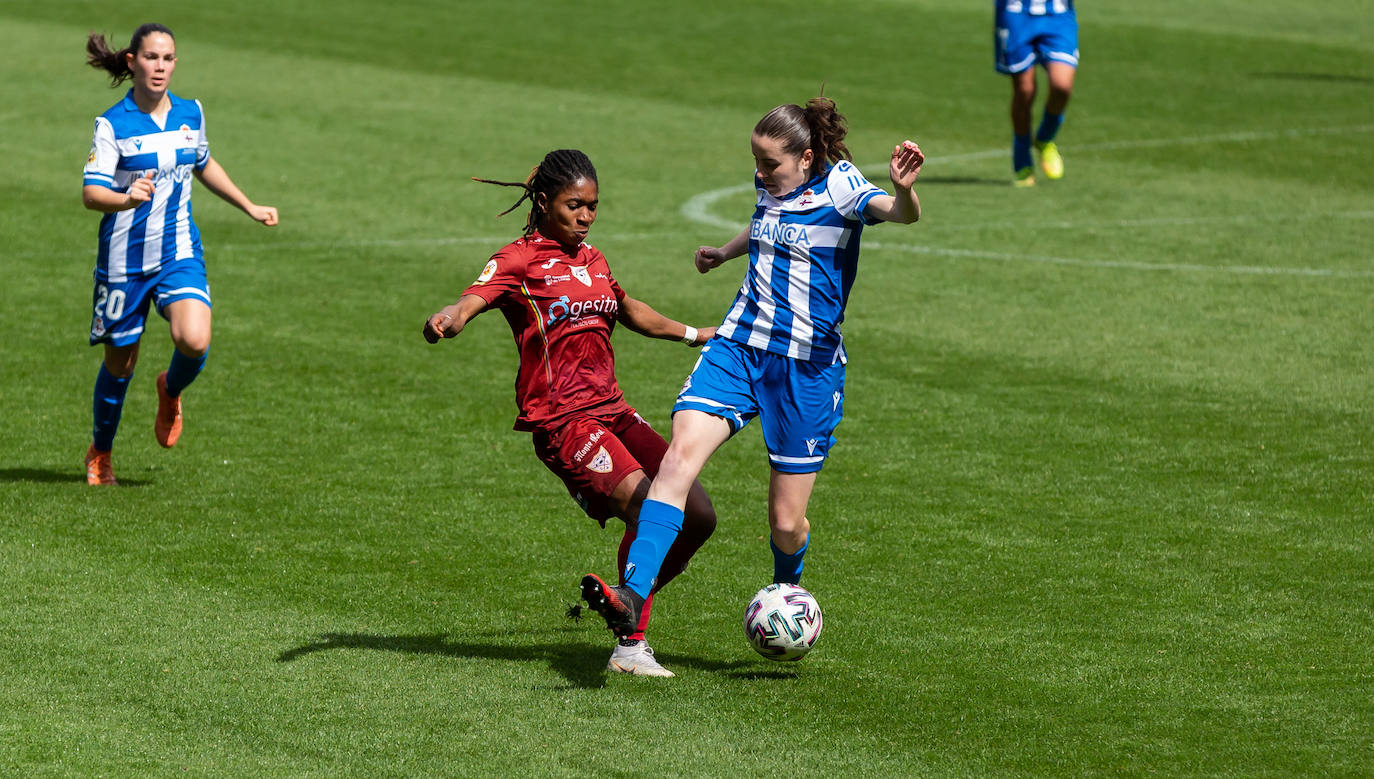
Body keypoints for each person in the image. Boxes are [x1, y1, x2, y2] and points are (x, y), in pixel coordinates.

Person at [578, 97, 924, 645]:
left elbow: (899, 214)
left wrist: (903, 189)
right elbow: (766, 224)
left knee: (786, 525)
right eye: (757, 163)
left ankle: (787, 593)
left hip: (806, 371)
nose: (760, 174)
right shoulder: (771, 187)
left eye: (770, 165)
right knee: (677, 462)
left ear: (807, 158)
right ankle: (633, 596)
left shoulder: (843, 188)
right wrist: (724, 252)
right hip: (738, 347)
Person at [422, 149, 718, 677]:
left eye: (593, 207)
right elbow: (472, 297)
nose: (584, 217)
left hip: (614, 410)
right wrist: (450, 317)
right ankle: (632, 642)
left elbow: (629, 311)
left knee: (697, 516)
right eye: (573, 206)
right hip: (562, 422)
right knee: (649, 507)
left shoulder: (594, 260)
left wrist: (699, 334)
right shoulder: (519, 260)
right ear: (542, 203)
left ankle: (624, 601)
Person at [81, 23, 278, 485]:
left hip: (178, 251)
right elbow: (91, 193)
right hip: (123, 263)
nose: (160, 67)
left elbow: (203, 162)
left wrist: (248, 205)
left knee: (194, 340)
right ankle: (101, 452)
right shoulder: (113, 124)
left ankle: (170, 389)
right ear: (132, 61)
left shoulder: (191, 113)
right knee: (120, 364)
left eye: (168, 59)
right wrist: (125, 198)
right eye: (151, 58)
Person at [994, 0, 1079, 187]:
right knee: (1025, 91)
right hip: (1016, 12)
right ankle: (1023, 162)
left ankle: (1045, 138)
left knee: (1062, 86)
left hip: (1058, 14)